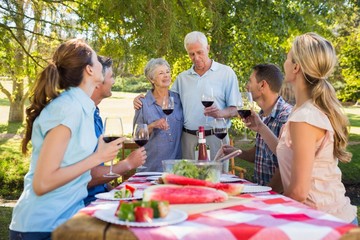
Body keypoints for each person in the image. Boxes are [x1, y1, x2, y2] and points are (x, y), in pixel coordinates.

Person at [9, 39, 124, 239]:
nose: (101, 65)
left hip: (66, 221)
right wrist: (98, 157)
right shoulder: (68, 108)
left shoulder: (82, 108)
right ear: (89, 70)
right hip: (41, 226)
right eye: (97, 59)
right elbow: (42, 183)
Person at [243, 33, 358, 224]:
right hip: (327, 220)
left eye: (288, 58)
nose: (285, 62)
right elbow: (288, 152)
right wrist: (261, 127)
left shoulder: (304, 118)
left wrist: (265, 212)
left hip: (326, 224)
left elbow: (298, 192)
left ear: (296, 67)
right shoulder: (304, 110)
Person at [134, 31, 239, 172]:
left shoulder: (226, 73)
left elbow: (235, 109)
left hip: (216, 138)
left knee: (216, 182)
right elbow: (163, 94)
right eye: (191, 54)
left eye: (200, 52)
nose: (196, 57)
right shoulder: (182, 78)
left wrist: (220, 113)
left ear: (207, 48)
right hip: (188, 140)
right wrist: (140, 99)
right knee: (188, 181)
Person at [84, 56, 147, 206]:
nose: (113, 81)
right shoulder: (82, 117)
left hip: (98, 199)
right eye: (111, 76)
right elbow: (86, 177)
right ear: (98, 82)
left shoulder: (95, 114)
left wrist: (117, 194)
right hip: (85, 206)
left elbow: (98, 175)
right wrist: (128, 163)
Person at [222, 64, 292, 192]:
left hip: (275, 197)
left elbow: (285, 166)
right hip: (262, 190)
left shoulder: (285, 117)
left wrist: (265, 194)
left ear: (262, 85)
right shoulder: (261, 115)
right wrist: (235, 151)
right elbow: (258, 154)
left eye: (250, 81)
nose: (247, 86)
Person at [133, 58, 183, 172]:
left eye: (167, 72)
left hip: (176, 170)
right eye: (161, 73)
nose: (166, 75)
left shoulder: (179, 99)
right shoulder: (143, 103)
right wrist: (152, 125)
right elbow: (136, 135)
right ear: (151, 79)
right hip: (150, 169)